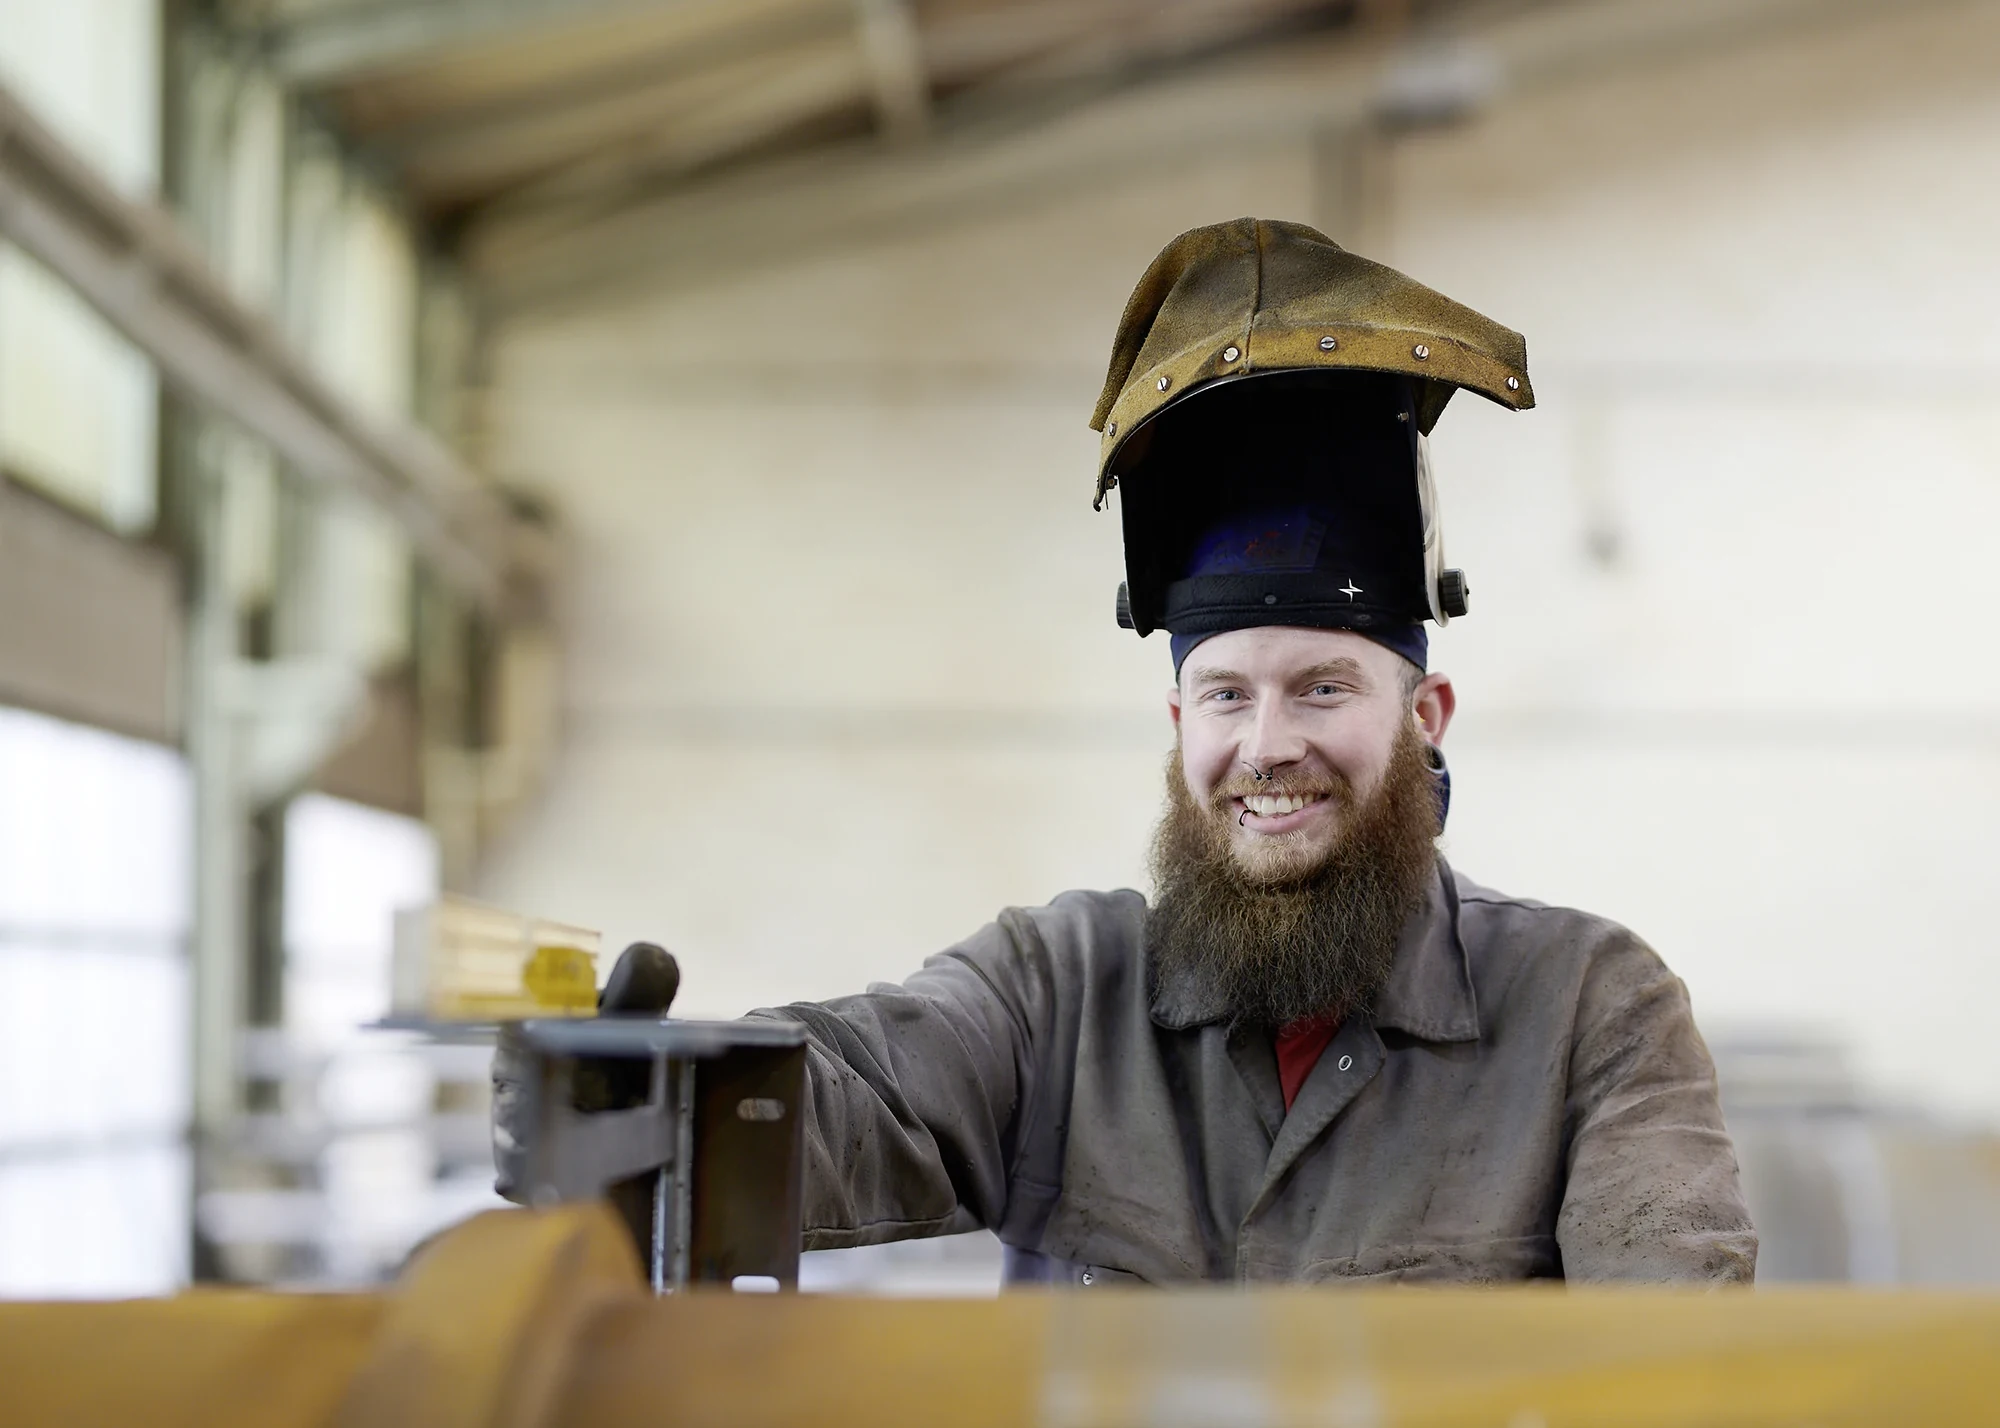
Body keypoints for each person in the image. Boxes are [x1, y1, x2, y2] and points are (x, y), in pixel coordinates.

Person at [507, 219, 1757, 1286]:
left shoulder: (1592, 1010)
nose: (1265, 747)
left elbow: (1672, 1356)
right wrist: (638, 1102)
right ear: (1177, 726)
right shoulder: (1056, 995)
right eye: (1223, 695)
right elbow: (851, 1089)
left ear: (1421, 714)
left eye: (1321, 686)